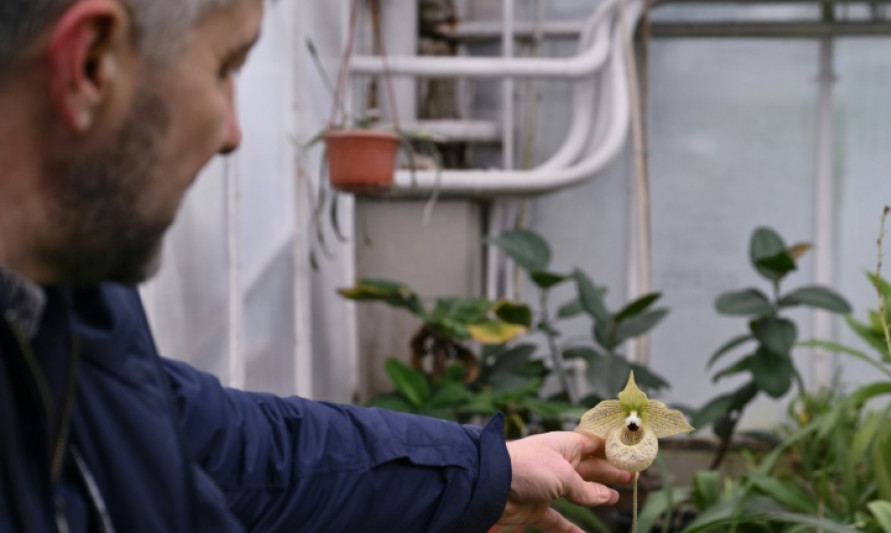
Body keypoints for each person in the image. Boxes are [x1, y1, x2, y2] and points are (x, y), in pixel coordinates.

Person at [0, 0, 632, 531]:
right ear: (89, 64)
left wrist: (483, 474)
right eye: (224, 66)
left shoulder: (69, 296)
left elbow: (225, 450)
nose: (233, 133)